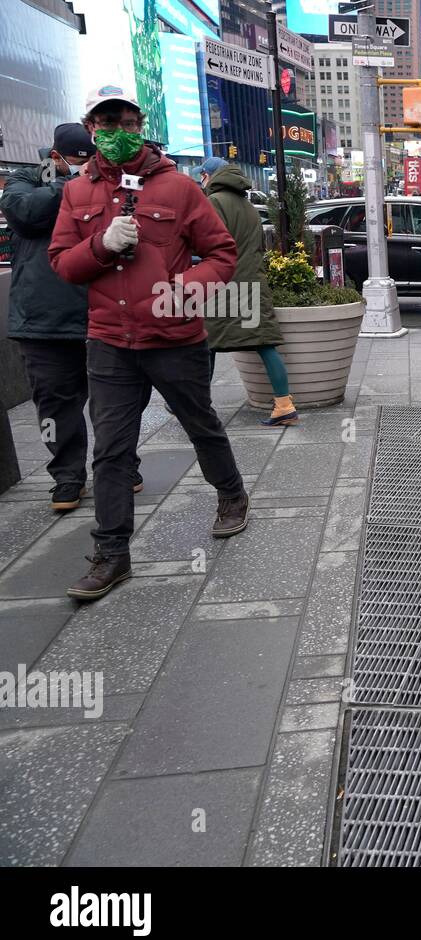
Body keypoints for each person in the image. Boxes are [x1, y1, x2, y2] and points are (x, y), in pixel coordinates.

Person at [48, 84, 246, 601]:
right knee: (111, 450)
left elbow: (222, 254)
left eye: (126, 122)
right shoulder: (77, 192)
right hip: (109, 341)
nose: (116, 132)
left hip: (173, 335)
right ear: (91, 129)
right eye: (105, 124)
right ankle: (111, 553)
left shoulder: (179, 187)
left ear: (141, 126)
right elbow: (63, 265)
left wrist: (190, 287)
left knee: (200, 424)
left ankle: (231, 495)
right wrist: (100, 244)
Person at [2, 122, 149, 511]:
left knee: (118, 401)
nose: (87, 167)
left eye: (91, 161)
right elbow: (24, 213)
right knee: (55, 405)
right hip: (43, 321)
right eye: (78, 162)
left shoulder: (109, 185)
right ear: (55, 158)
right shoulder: (25, 181)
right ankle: (67, 476)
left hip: (102, 311)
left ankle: (121, 465)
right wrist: (72, 185)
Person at [195, 157, 295, 427]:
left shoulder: (214, 202)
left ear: (209, 176)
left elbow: (208, 244)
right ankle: (284, 405)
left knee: (207, 342)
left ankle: (195, 405)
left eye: (201, 175)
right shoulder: (247, 205)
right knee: (263, 342)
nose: (200, 180)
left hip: (223, 282)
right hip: (251, 280)